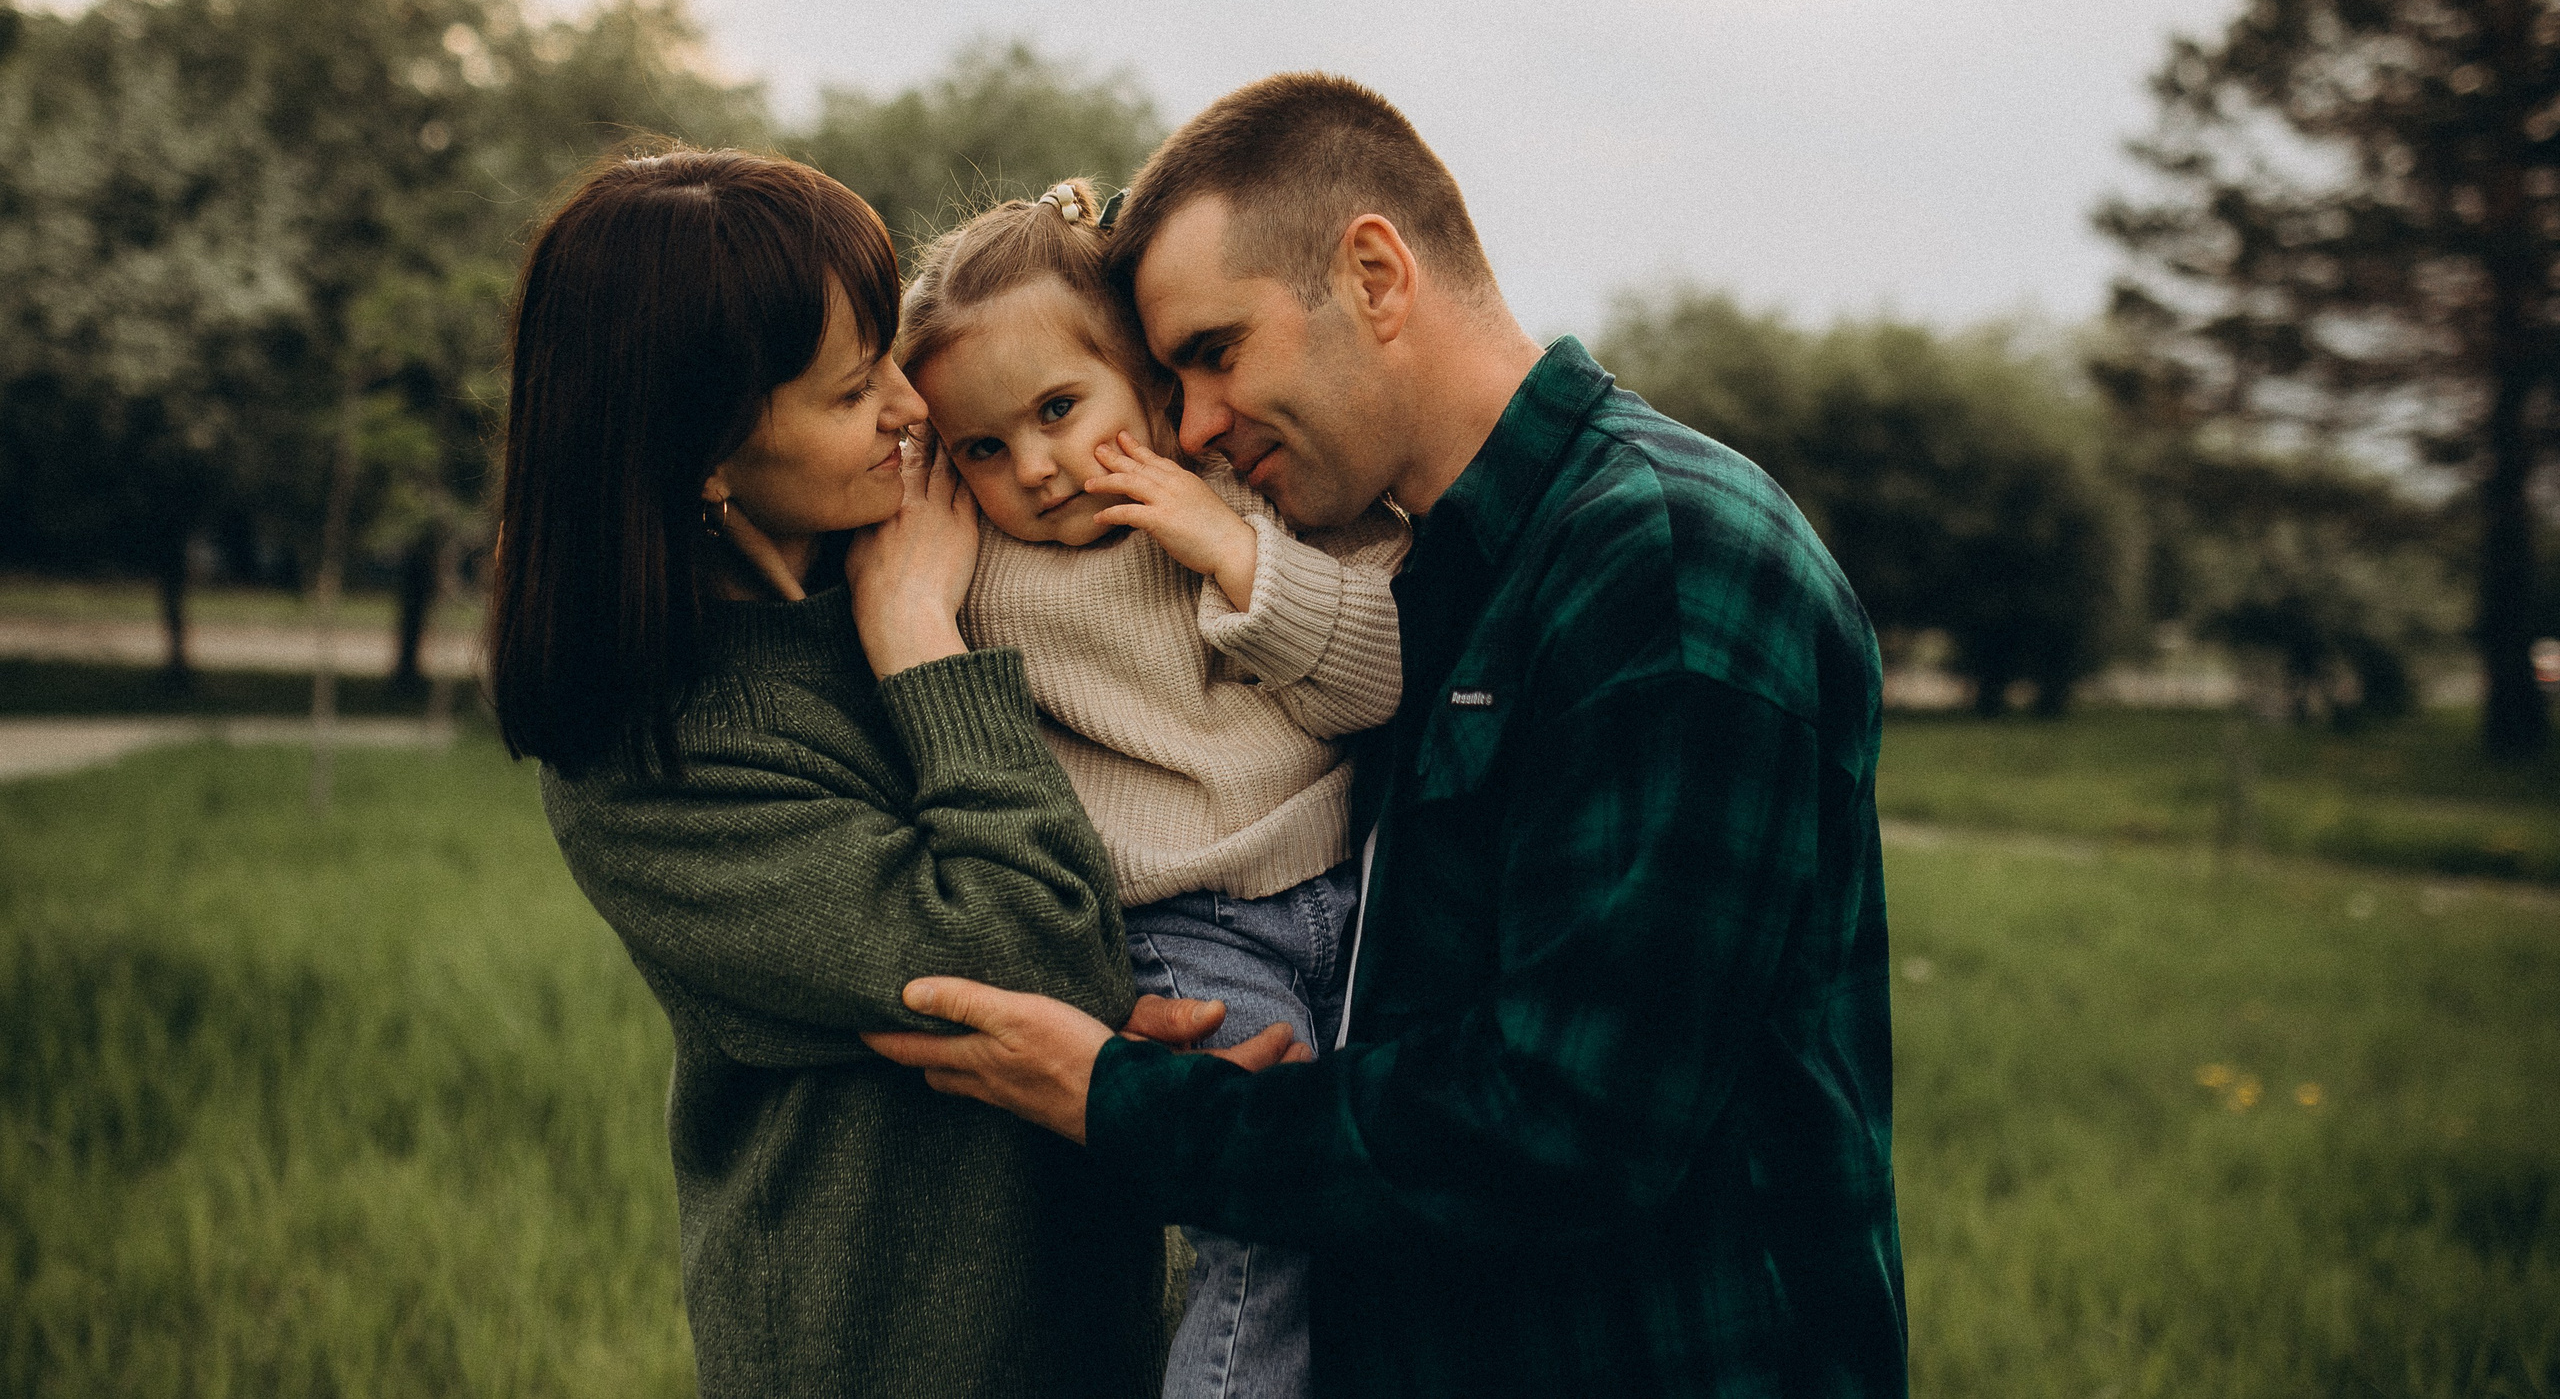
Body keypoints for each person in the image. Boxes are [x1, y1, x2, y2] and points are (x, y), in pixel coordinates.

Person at [866, 76, 1909, 1397]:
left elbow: (1570, 1120)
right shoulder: (1434, 571)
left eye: (1216, 353)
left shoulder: (1665, 559)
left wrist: (1121, 1099)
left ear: (1373, 273)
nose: (1189, 428)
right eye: (1167, 377)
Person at [486, 148, 1180, 1399]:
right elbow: (1034, 944)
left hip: (1102, 1337)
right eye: (856, 389)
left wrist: (1151, 1063)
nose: (915, 411)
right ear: (705, 456)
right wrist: (920, 636)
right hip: (885, 1354)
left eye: (892, 362)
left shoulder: (931, 541)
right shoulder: (653, 760)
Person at [895, 177, 1409, 1399]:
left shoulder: (1242, 500)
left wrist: (1234, 551)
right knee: (1261, 1220)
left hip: (1352, 904)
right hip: (1181, 934)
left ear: (1143, 372)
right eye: (984, 445)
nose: (1040, 465)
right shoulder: (979, 573)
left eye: (1062, 407)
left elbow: (1383, 676)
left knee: (1388, 1199)